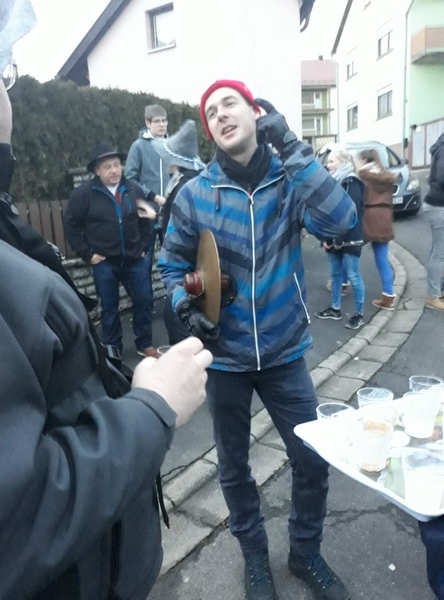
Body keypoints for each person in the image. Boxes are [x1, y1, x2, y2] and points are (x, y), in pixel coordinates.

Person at [0, 5, 213, 599]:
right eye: (2, 69)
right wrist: (152, 405)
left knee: (135, 313)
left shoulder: (125, 190)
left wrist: (141, 236)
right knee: (110, 316)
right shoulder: (86, 196)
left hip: (100, 569)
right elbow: (16, 520)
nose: (7, 89)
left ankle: (132, 350)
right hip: (76, 580)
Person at [158, 79, 357, 600]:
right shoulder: (196, 194)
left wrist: (292, 146)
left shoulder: (289, 180)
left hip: (284, 350)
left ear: (256, 112)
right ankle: (253, 555)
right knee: (233, 467)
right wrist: (184, 306)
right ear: (210, 131)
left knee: (312, 458)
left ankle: (305, 552)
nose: (221, 115)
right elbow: (171, 264)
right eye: (211, 112)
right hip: (225, 358)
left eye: (231, 104)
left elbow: (342, 220)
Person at [64, 143, 159, 359]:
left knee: (144, 301)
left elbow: (147, 219)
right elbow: (71, 225)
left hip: (135, 260)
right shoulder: (84, 194)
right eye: (107, 167)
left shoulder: (133, 189)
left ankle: (145, 343)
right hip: (105, 262)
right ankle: (112, 349)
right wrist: (87, 253)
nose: (114, 170)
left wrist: (144, 246)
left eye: (116, 165)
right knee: (109, 308)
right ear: (97, 170)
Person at [151, 118, 205, 344]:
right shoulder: (186, 180)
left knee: (178, 321)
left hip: (188, 268)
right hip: (190, 266)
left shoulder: (185, 186)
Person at [316, 149, 366, 330]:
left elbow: (349, 215)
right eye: (328, 161)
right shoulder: (332, 183)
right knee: (335, 274)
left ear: (343, 162)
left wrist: (336, 239)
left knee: (353, 275)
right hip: (333, 237)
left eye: (332, 161)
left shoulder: (352, 182)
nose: (327, 165)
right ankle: (335, 308)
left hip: (350, 237)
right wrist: (325, 237)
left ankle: (359, 315)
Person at [125, 103, 170, 273]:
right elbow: (130, 178)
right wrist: (153, 196)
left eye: (164, 121)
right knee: (144, 263)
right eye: (157, 121)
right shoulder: (138, 146)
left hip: (169, 214)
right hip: (147, 214)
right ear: (148, 123)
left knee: (173, 261)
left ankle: (173, 291)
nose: (161, 125)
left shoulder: (172, 146)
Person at [357, 148, 398, 311]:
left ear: (364, 161)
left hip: (367, 217)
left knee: (350, 251)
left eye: (359, 160)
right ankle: (388, 296)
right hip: (384, 217)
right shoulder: (386, 177)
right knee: (382, 259)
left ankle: (342, 284)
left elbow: (358, 199)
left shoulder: (362, 176)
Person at [422, 133, 444, 312]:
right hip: (438, 206)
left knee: (438, 250)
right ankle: (433, 296)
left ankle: (436, 290)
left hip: (436, 204)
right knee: (439, 252)